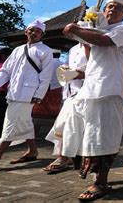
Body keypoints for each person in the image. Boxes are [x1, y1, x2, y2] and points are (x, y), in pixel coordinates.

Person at [62, 0, 123, 201]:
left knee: (103, 137)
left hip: (109, 90)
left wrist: (77, 30)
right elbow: (91, 56)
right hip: (90, 89)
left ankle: (101, 182)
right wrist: (83, 37)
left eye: (117, 8)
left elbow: (103, 41)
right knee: (87, 135)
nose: (111, 10)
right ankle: (95, 176)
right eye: (109, 7)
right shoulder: (97, 30)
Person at [0, 20, 53, 172]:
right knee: (25, 123)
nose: (34, 32)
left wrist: (39, 94)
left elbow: (46, 75)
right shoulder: (17, 50)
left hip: (28, 95)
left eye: (37, 31)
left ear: (42, 34)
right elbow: (5, 72)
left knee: (9, 128)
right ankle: (32, 150)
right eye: (31, 29)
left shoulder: (45, 51)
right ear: (26, 31)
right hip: (14, 93)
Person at [43, 43, 88, 173]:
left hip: (85, 92)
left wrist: (82, 74)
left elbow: (98, 69)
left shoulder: (94, 45)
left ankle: (64, 157)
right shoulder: (73, 49)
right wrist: (66, 71)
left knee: (74, 126)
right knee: (62, 125)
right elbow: (67, 69)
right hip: (70, 92)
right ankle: (64, 157)